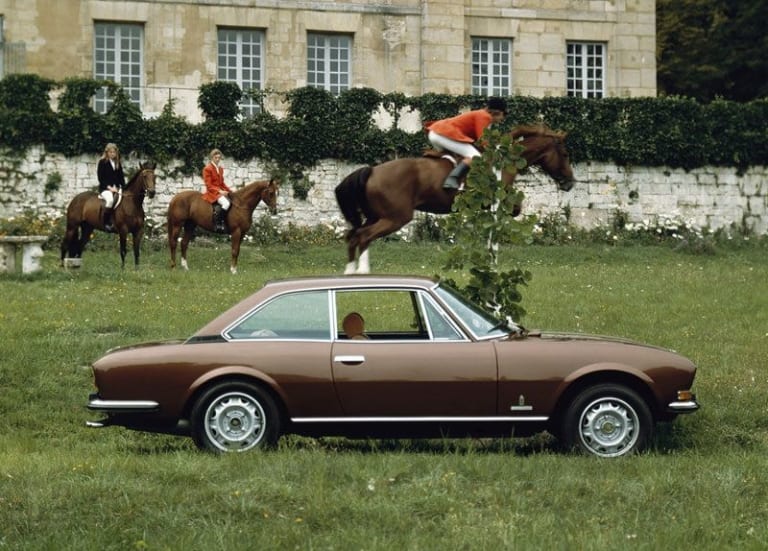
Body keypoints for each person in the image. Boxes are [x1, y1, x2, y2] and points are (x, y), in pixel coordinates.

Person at [425, 96, 507, 190]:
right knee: (475, 157)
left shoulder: (481, 115)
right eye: (503, 114)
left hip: (436, 133)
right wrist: (497, 151)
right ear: (497, 112)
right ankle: (451, 179)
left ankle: (458, 183)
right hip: (442, 134)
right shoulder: (485, 116)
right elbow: (483, 141)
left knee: (456, 159)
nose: (503, 119)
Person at [201, 148, 232, 232]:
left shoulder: (220, 169)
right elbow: (209, 185)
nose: (218, 159)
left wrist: (230, 191)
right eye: (216, 158)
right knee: (226, 203)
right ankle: (218, 223)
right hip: (212, 193)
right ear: (212, 158)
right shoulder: (207, 169)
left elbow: (222, 183)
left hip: (220, 192)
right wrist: (220, 191)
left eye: (219, 158)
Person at [97, 143, 126, 231]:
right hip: (106, 188)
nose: (112, 154)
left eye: (114, 152)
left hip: (117, 188)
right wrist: (109, 188)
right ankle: (106, 222)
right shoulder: (102, 162)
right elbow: (100, 178)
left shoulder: (117, 163)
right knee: (110, 201)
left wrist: (124, 187)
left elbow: (121, 177)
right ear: (107, 152)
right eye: (110, 152)